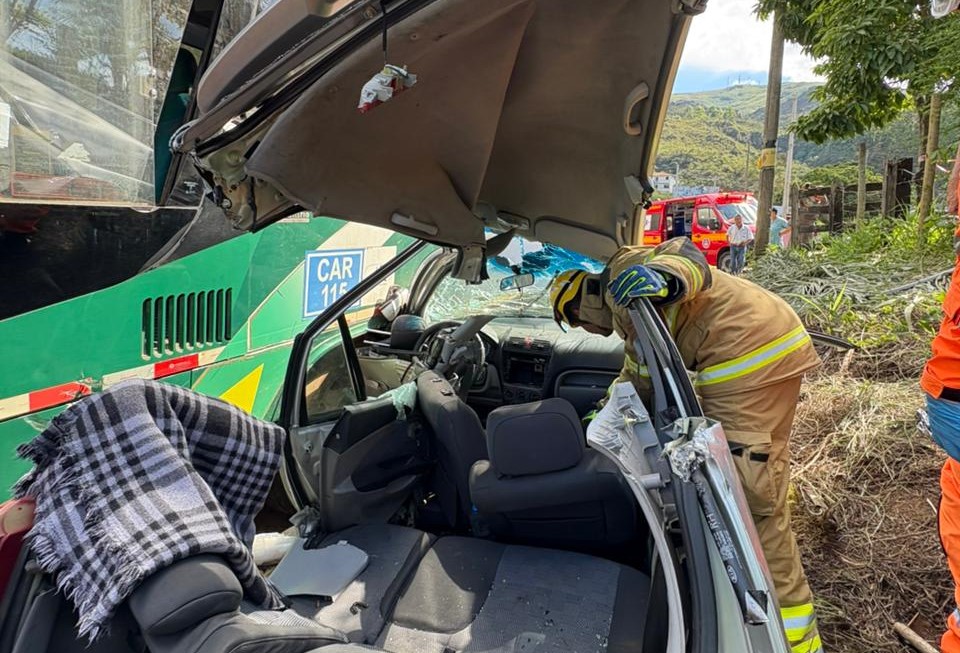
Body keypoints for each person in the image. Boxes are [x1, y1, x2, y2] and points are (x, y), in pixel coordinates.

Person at [550, 237, 823, 653]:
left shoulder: (625, 276)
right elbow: (638, 374)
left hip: (750, 358)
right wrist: (602, 413)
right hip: (750, 356)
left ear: (581, 300)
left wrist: (665, 278)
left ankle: (791, 640)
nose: (585, 329)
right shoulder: (630, 312)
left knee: (749, 505)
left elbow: (685, 255)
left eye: (575, 319)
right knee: (750, 485)